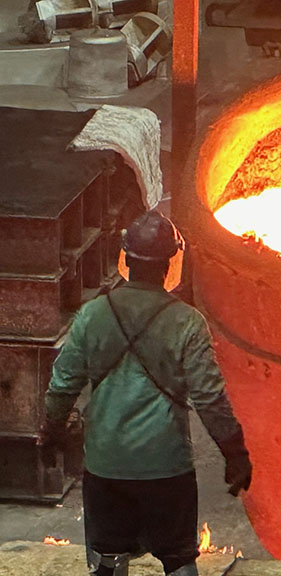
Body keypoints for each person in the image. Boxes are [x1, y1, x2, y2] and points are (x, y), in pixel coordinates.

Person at [38, 211, 253, 576]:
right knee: (179, 558)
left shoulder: (93, 316)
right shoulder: (186, 322)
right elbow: (209, 397)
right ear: (171, 263)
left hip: (107, 467)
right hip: (166, 469)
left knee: (108, 561)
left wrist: (51, 433)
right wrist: (234, 452)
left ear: (126, 258)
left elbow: (63, 384)